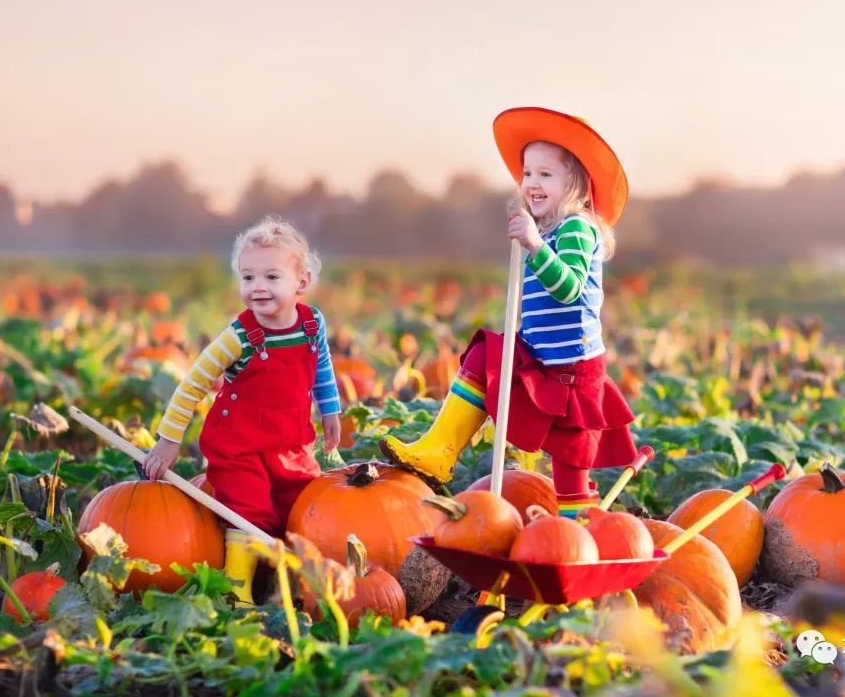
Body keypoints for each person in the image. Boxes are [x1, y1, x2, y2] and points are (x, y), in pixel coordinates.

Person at [380, 107, 639, 518]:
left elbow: (569, 288)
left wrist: (536, 246)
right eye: (528, 173)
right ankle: (437, 451)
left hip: (573, 372)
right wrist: (533, 241)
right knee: (486, 355)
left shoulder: (577, 228)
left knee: (571, 469)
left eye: (545, 175)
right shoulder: (547, 227)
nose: (532, 183)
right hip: (539, 355)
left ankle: (577, 537)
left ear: (576, 185)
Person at [142, 215, 342, 603]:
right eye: (248, 278)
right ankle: (239, 592)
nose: (258, 287)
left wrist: (330, 411)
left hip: (291, 442)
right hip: (240, 447)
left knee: (298, 507)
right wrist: (168, 441)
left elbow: (322, 367)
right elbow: (192, 384)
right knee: (248, 511)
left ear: (301, 282)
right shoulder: (239, 337)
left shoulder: (311, 323)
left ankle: (286, 587)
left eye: (271, 277)